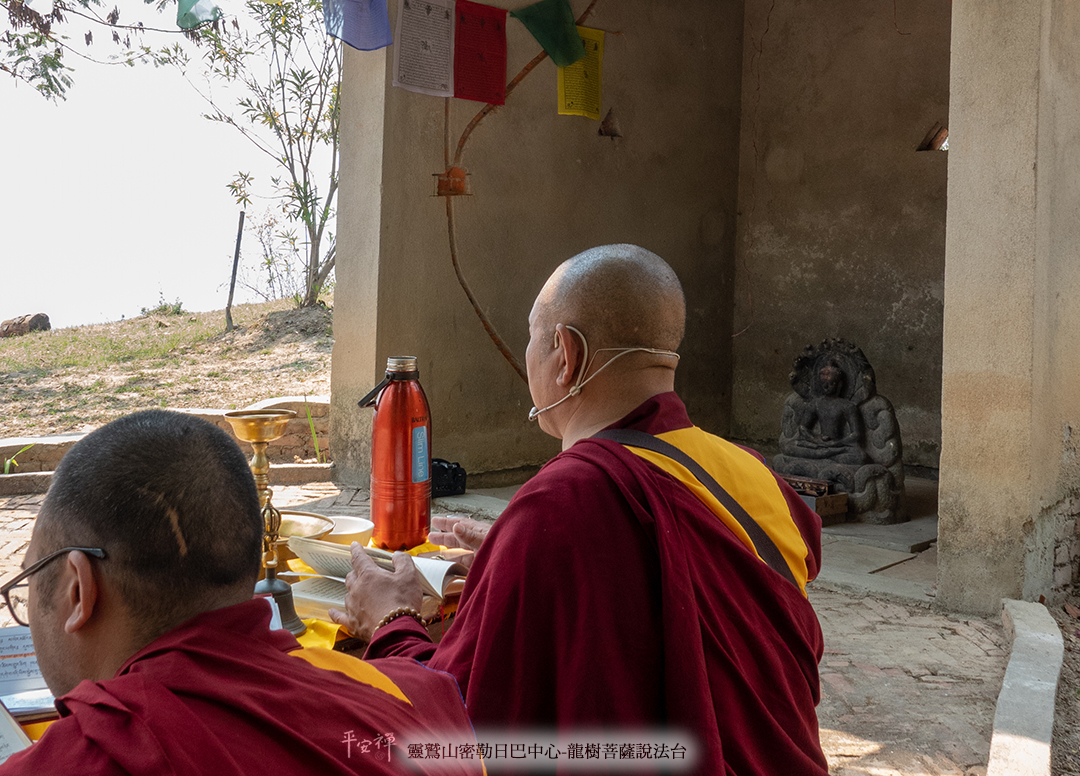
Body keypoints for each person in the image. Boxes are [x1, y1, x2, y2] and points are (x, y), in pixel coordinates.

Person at [331, 244, 830, 775]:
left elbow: (461, 732)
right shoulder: (756, 476)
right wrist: (513, 566)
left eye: (531, 337)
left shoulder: (559, 507)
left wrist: (391, 620)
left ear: (566, 354)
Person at [0, 410, 482, 776]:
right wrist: (396, 622)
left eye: (30, 577)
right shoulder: (416, 701)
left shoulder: (78, 762)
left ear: (79, 590)